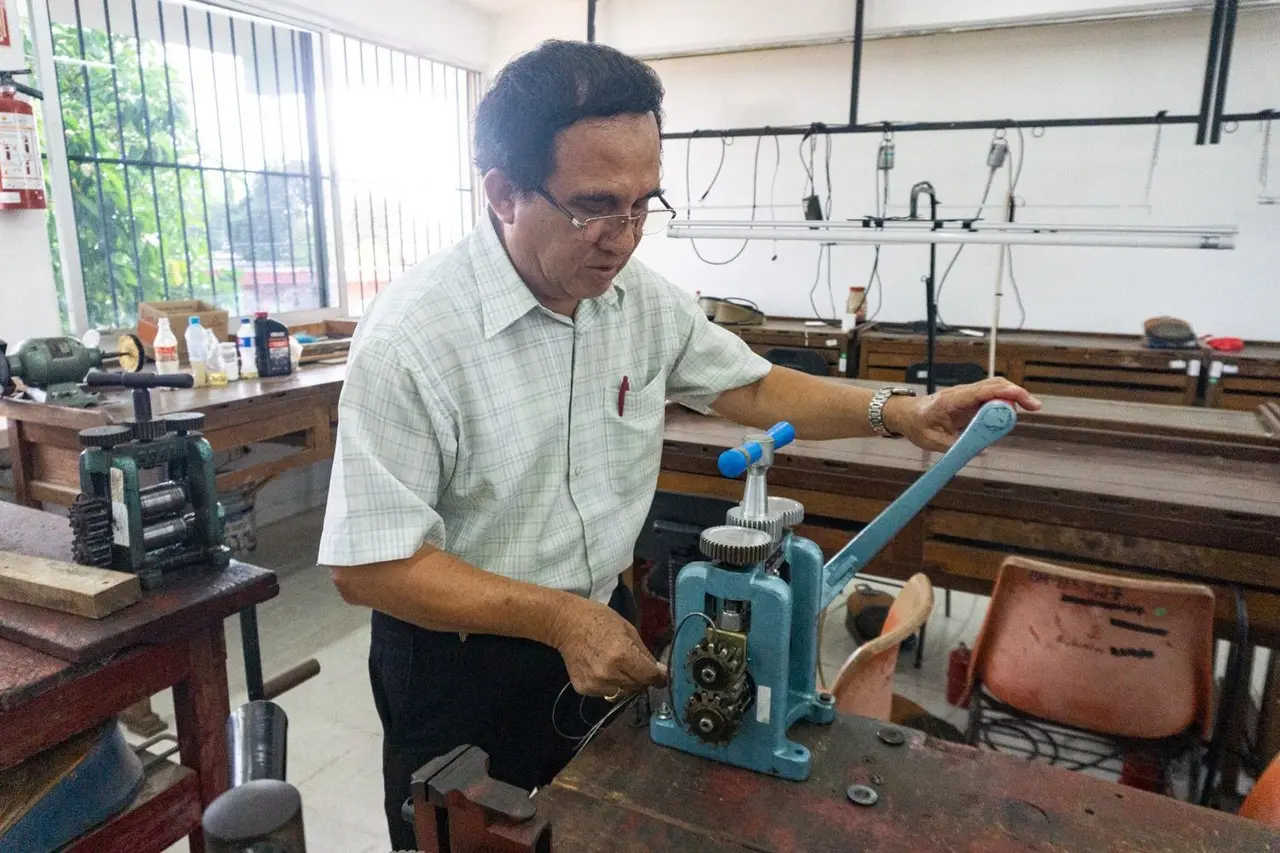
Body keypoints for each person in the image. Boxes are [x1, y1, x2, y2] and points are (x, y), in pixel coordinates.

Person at [318, 39, 1041, 848]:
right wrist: (559, 619)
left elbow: (753, 385)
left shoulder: (635, 301)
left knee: (600, 828)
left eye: (643, 204)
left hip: (599, 623)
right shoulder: (414, 340)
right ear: (502, 192)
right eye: (595, 205)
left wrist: (900, 410)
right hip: (461, 667)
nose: (623, 238)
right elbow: (369, 564)